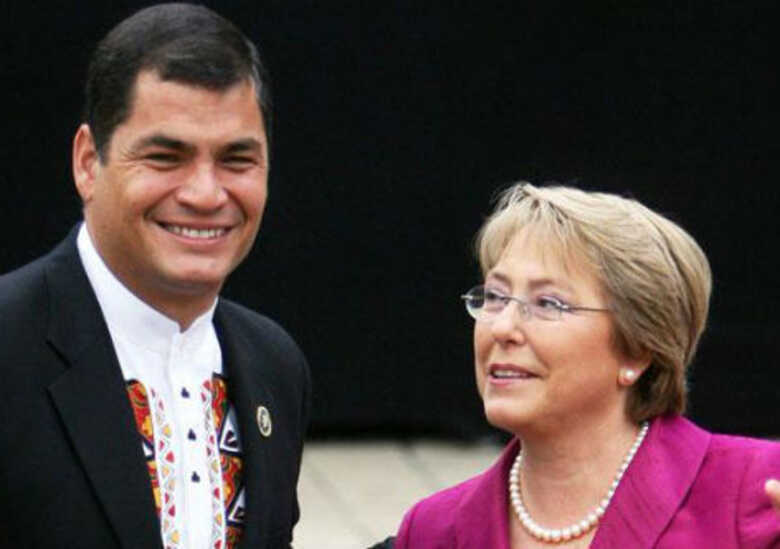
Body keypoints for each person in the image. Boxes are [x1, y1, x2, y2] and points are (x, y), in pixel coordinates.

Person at [0, 4, 310, 548]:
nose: (206, 194)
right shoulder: (9, 347)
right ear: (88, 162)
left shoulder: (275, 366)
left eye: (237, 160)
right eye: (166, 157)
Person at [390, 183, 780, 548]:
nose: (502, 328)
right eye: (495, 296)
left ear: (637, 349)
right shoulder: (432, 531)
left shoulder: (756, 489)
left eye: (548, 303)